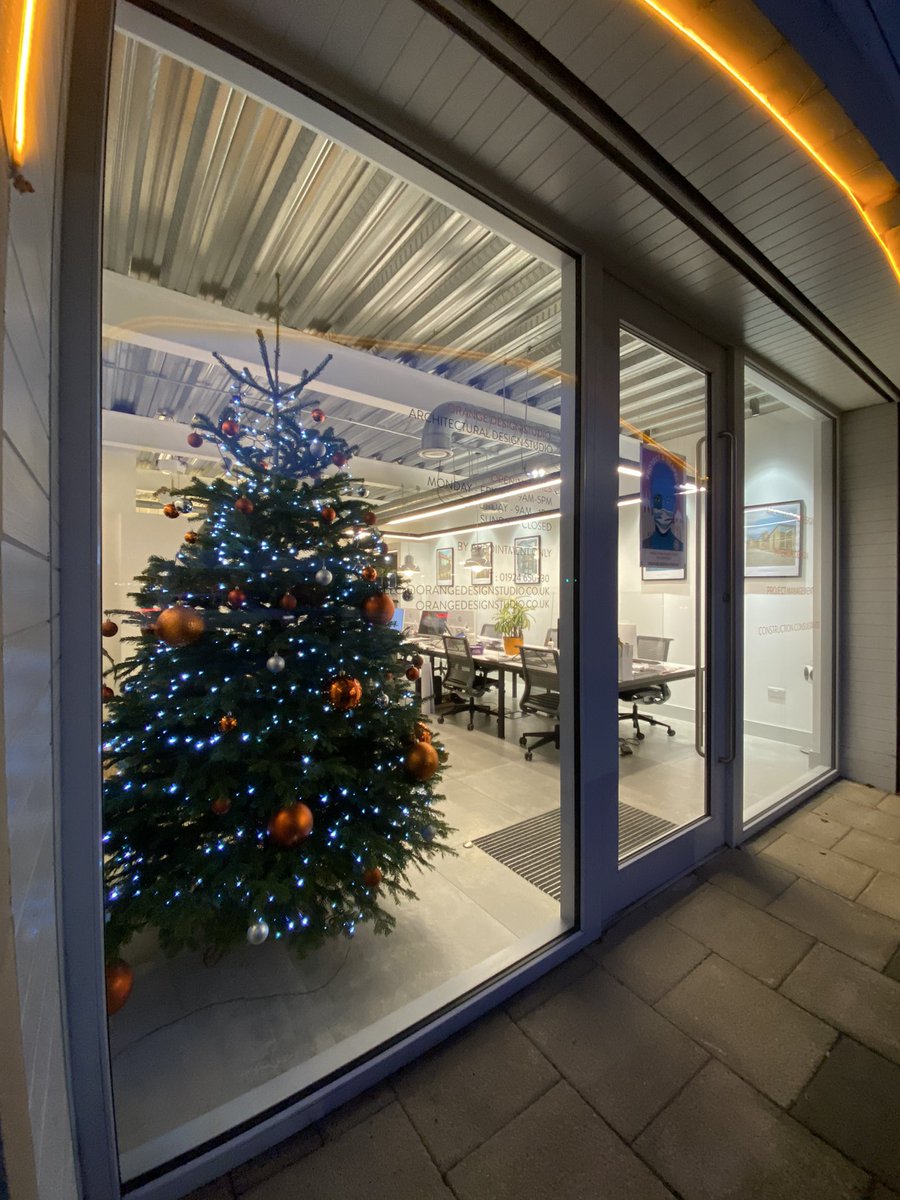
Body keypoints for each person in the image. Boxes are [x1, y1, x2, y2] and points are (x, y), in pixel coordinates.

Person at [642, 459, 684, 552]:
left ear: (675, 503)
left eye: (668, 500)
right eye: (657, 499)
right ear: (651, 502)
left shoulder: (679, 548)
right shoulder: (646, 546)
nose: (663, 510)